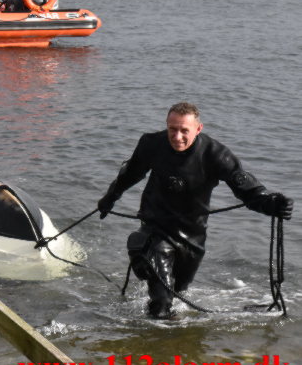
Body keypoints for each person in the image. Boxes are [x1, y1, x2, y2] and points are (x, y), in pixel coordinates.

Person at [97, 102, 293, 319]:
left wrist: (272, 205)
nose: (177, 136)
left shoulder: (216, 154)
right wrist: (109, 198)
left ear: (198, 129)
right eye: (172, 129)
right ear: (166, 125)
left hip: (193, 236)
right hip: (155, 228)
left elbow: (247, 190)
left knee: (179, 295)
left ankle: (164, 331)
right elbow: (130, 174)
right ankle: (157, 340)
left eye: (184, 131)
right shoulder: (151, 144)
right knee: (161, 302)